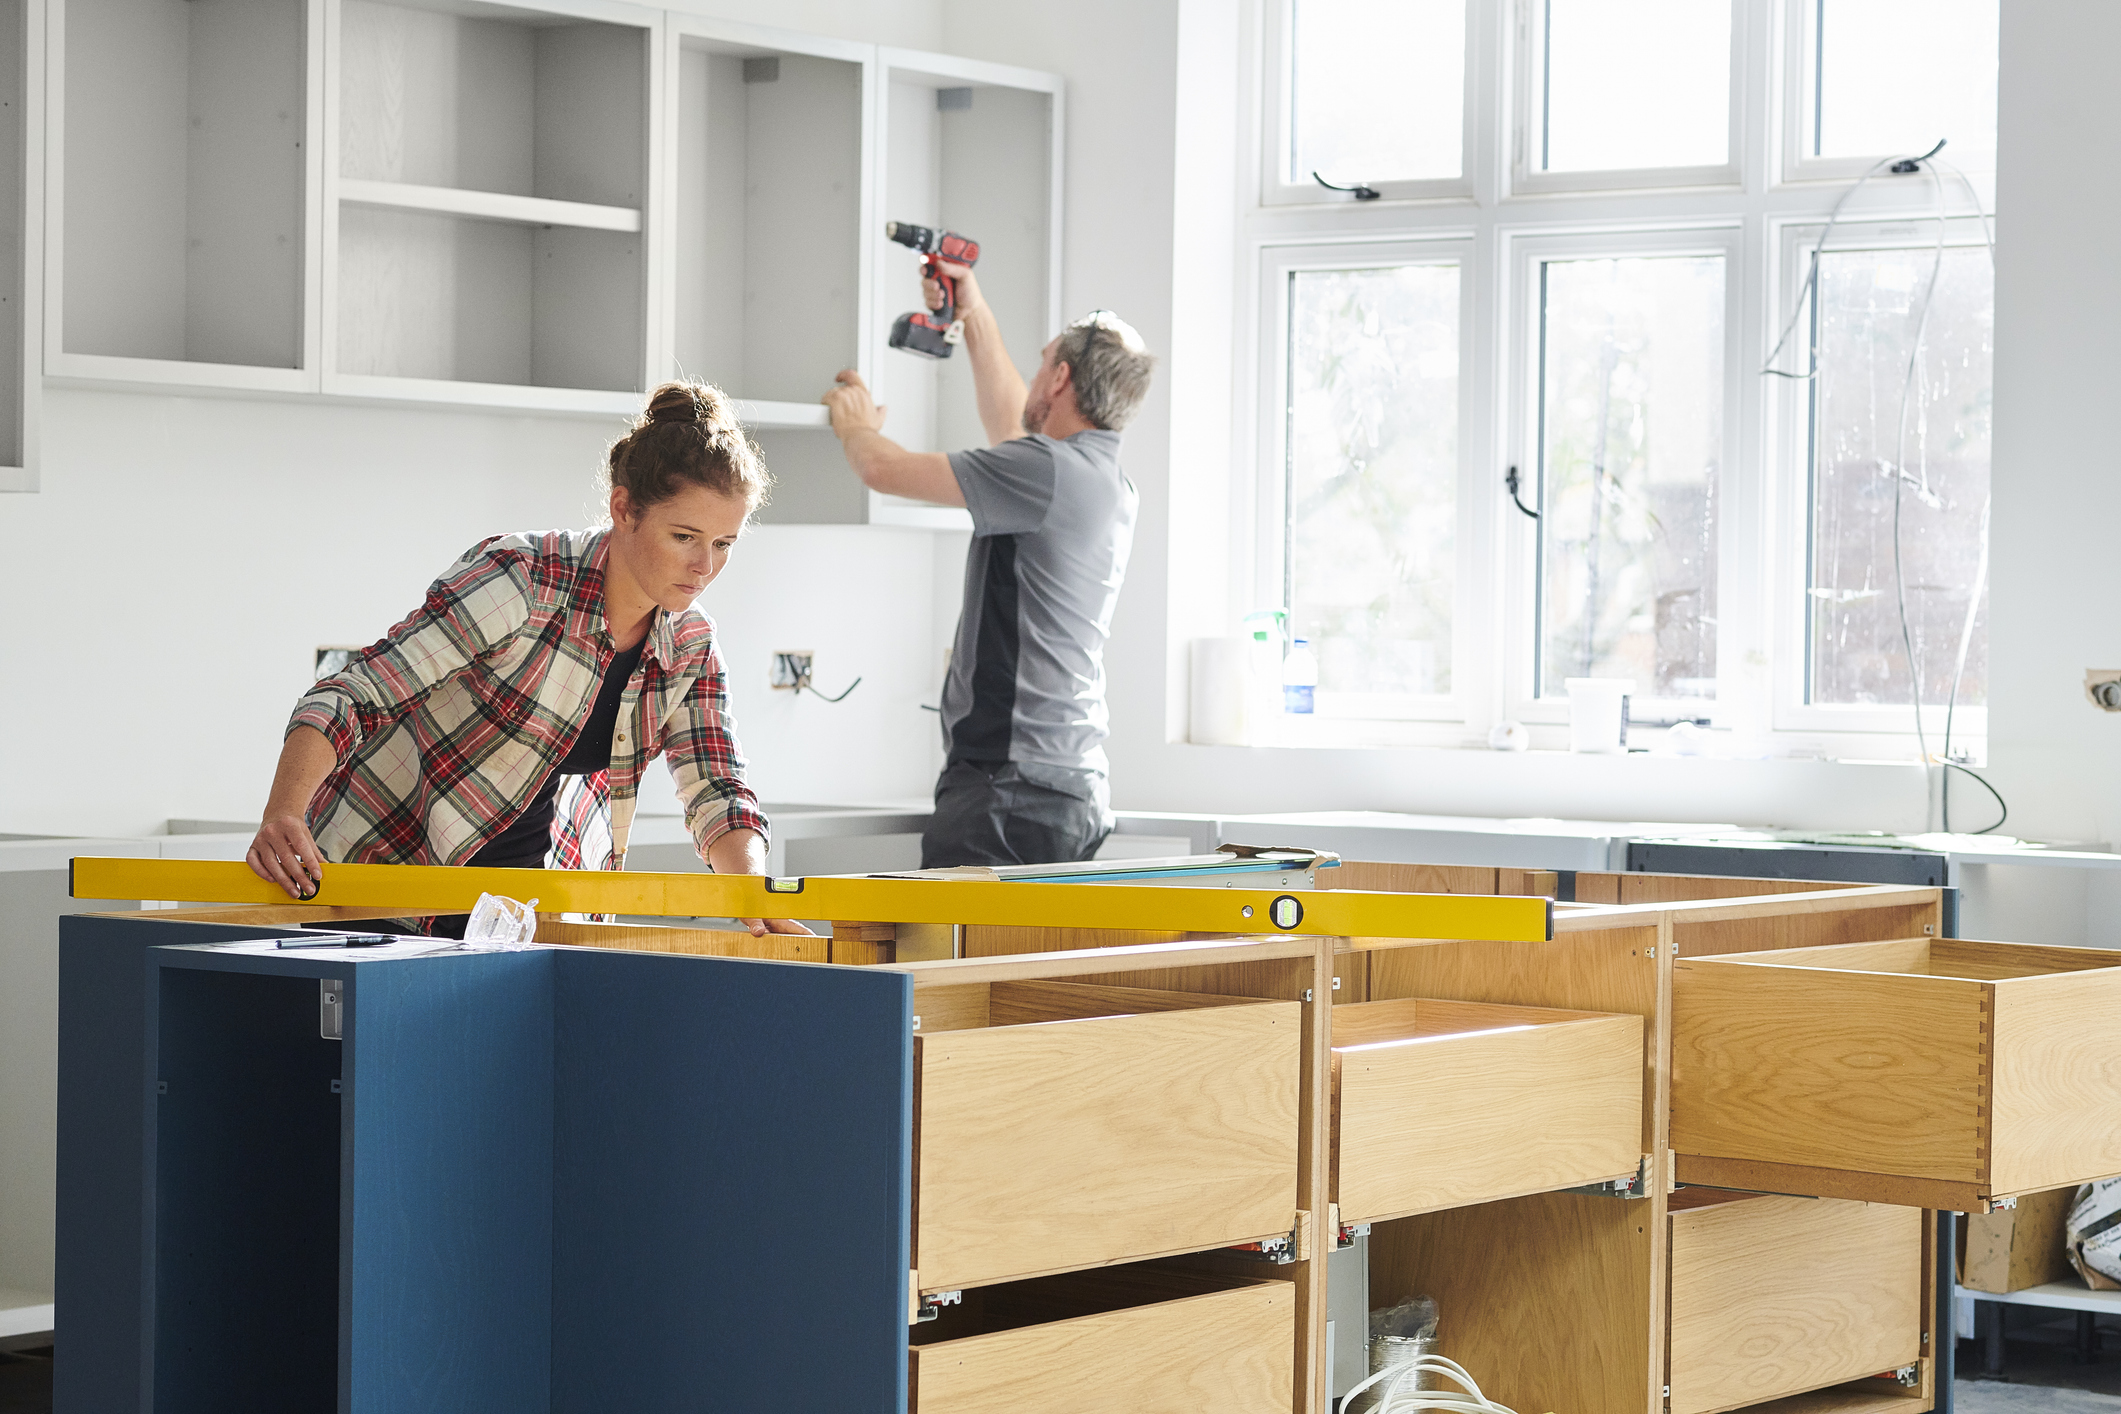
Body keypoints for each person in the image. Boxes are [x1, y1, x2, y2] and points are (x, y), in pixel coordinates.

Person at [246, 382, 807, 938]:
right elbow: (352, 696)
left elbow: (718, 791)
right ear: (623, 508)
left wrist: (756, 898)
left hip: (516, 919)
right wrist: (284, 814)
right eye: (685, 536)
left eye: (724, 544)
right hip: (382, 886)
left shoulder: (690, 646)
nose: (704, 565)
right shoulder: (521, 580)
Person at [823, 264, 1155, 868]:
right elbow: (1010, 423)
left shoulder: (1045, 472)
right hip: (1062, 789)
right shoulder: (1101, 479)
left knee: (944, 961)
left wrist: (855, 424)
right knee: (1021, 965)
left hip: (1009, 792)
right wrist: (972, 310)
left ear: (1059, 377)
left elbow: (883, 470)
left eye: (1042, 363)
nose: (1030, 379)